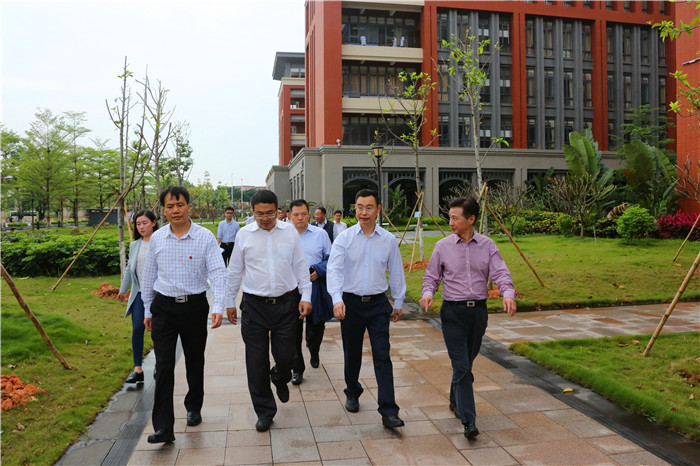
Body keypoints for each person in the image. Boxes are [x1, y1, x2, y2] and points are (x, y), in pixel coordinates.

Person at [419, 196, 517, 440]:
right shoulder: (442, 246)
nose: (450, 222)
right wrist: (428, 293)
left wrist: (507, 295)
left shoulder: (488, 245)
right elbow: (431, 276)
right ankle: (469, 421)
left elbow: (501, 273)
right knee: (461, 366)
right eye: (449, 217)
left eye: (455, 218)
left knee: (466, 363)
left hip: (477, 313)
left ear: (471, 219)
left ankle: (455, 398)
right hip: (452, 312)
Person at [141, 186, 227, 444]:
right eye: (170, 206)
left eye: (180, 205)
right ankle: (163, 427)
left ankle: (194, 406)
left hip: (194, 307)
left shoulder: (204, 237)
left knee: (194, 360)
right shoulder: (157, 238)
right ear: (163, 210)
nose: (175, 210)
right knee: (163, 366)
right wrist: (147, 308)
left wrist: (218, 306)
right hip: (164, 308)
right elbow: (149, 275)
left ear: (189, 206)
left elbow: (218, 272)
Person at [226, 189, 312, 433]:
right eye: (260, 214)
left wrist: (306, 296)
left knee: (287, 356)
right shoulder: (244, 235)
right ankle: (264, 411)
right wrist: (229, 300)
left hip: (286, 304)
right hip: (254, 307)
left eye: (270, 213)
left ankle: (280, 376)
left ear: (279, 211)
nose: (265, 218)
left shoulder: (289, 233)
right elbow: (235, 270)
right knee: (256, 362)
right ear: (252, 212)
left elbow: (301, 266)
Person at [327, 189, 406, 429]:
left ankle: (389, 411)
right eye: (359, 207)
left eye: (369, 207)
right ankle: (352, 390)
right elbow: (334, 270)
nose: (364, 212)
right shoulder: (345, 238)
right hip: (350, 304)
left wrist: (398, 301)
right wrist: (337, 299)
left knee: (382, 355)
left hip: (378, 305)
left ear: (378, 209)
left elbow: (396, 270)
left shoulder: (388, 240)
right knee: (352, 353)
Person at [288, 199, 333, 385]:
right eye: (296, 214)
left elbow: (332, 259)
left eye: (303, 214)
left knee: (315, 328)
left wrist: (318, 270)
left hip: (314, 286)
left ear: (309, 215)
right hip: (291, 288)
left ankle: (314, 350)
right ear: (289, 216)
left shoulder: (320, 234)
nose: (300, 218)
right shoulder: (284, 235)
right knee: (293, 331)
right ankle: (297, 368)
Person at [117, 210, 159, 384]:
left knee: (158, 331)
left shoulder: (161, 242)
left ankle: (159, 365)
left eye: (144, 223)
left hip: (158, 295)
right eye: (138, 224)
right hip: (139, 294)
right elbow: (129, 268)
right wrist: (123, 289)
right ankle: (137, 370)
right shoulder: (135, 245)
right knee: (137, 329)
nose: (141, 227)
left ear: (154, 223)